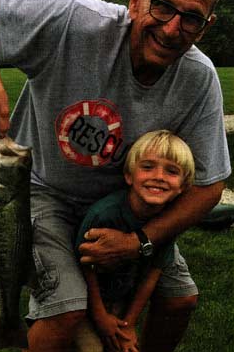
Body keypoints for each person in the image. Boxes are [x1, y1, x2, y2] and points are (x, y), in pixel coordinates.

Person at [0, 0, 231, 351]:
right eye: (163, 7)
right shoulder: (74, 23)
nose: (171, 30)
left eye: (191, 19)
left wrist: (139, 242)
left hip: (123, 205)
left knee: (180, 298)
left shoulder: (198, 79)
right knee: (67, 310)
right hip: (43, 192)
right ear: (136, 0)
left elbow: (209, 186)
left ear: (205, 27)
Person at [75, 130, 196, 352]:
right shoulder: (105, 214)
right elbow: (86, 268)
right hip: (85, 303)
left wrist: (128, 324)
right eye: (148, 167)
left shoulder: (167, 224)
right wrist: (100, 316)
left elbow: (152, 275)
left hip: (121, 302)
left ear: (183, 186)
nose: (158, 176)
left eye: (171, 171)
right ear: (129, 175)